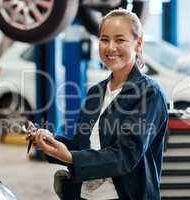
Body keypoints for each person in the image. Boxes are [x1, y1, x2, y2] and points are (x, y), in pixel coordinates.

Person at [28, 8, 168, 200]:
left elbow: (125, 156)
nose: (110, 47)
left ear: (138, 43)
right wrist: (50, 141)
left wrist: (70, 158)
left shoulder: (149, 93)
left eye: (120, 40)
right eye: (104, 39)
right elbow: (80, 145)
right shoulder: (96, 93)